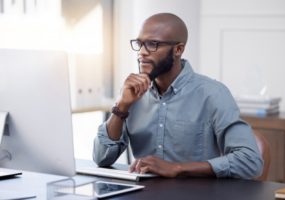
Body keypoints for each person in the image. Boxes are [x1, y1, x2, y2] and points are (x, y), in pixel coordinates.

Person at [93, 13, 263, 179]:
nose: (142, 52)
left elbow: (250, 161)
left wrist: (177, 168)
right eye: (140, 44)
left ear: (178, 49)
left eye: (153, 44)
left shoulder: (213, 94)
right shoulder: (131, 93)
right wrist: (121, 107)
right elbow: (101, 158)